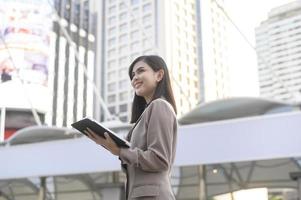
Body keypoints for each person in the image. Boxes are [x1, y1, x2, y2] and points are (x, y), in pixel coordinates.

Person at [85, 55, 178, 200]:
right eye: (133, 75)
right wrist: (114, 148)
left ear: (159, 75)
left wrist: (121, 151)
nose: (135, 78)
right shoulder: (145, 115)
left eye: (141, 71)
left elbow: (159, 159)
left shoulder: (159, 106)